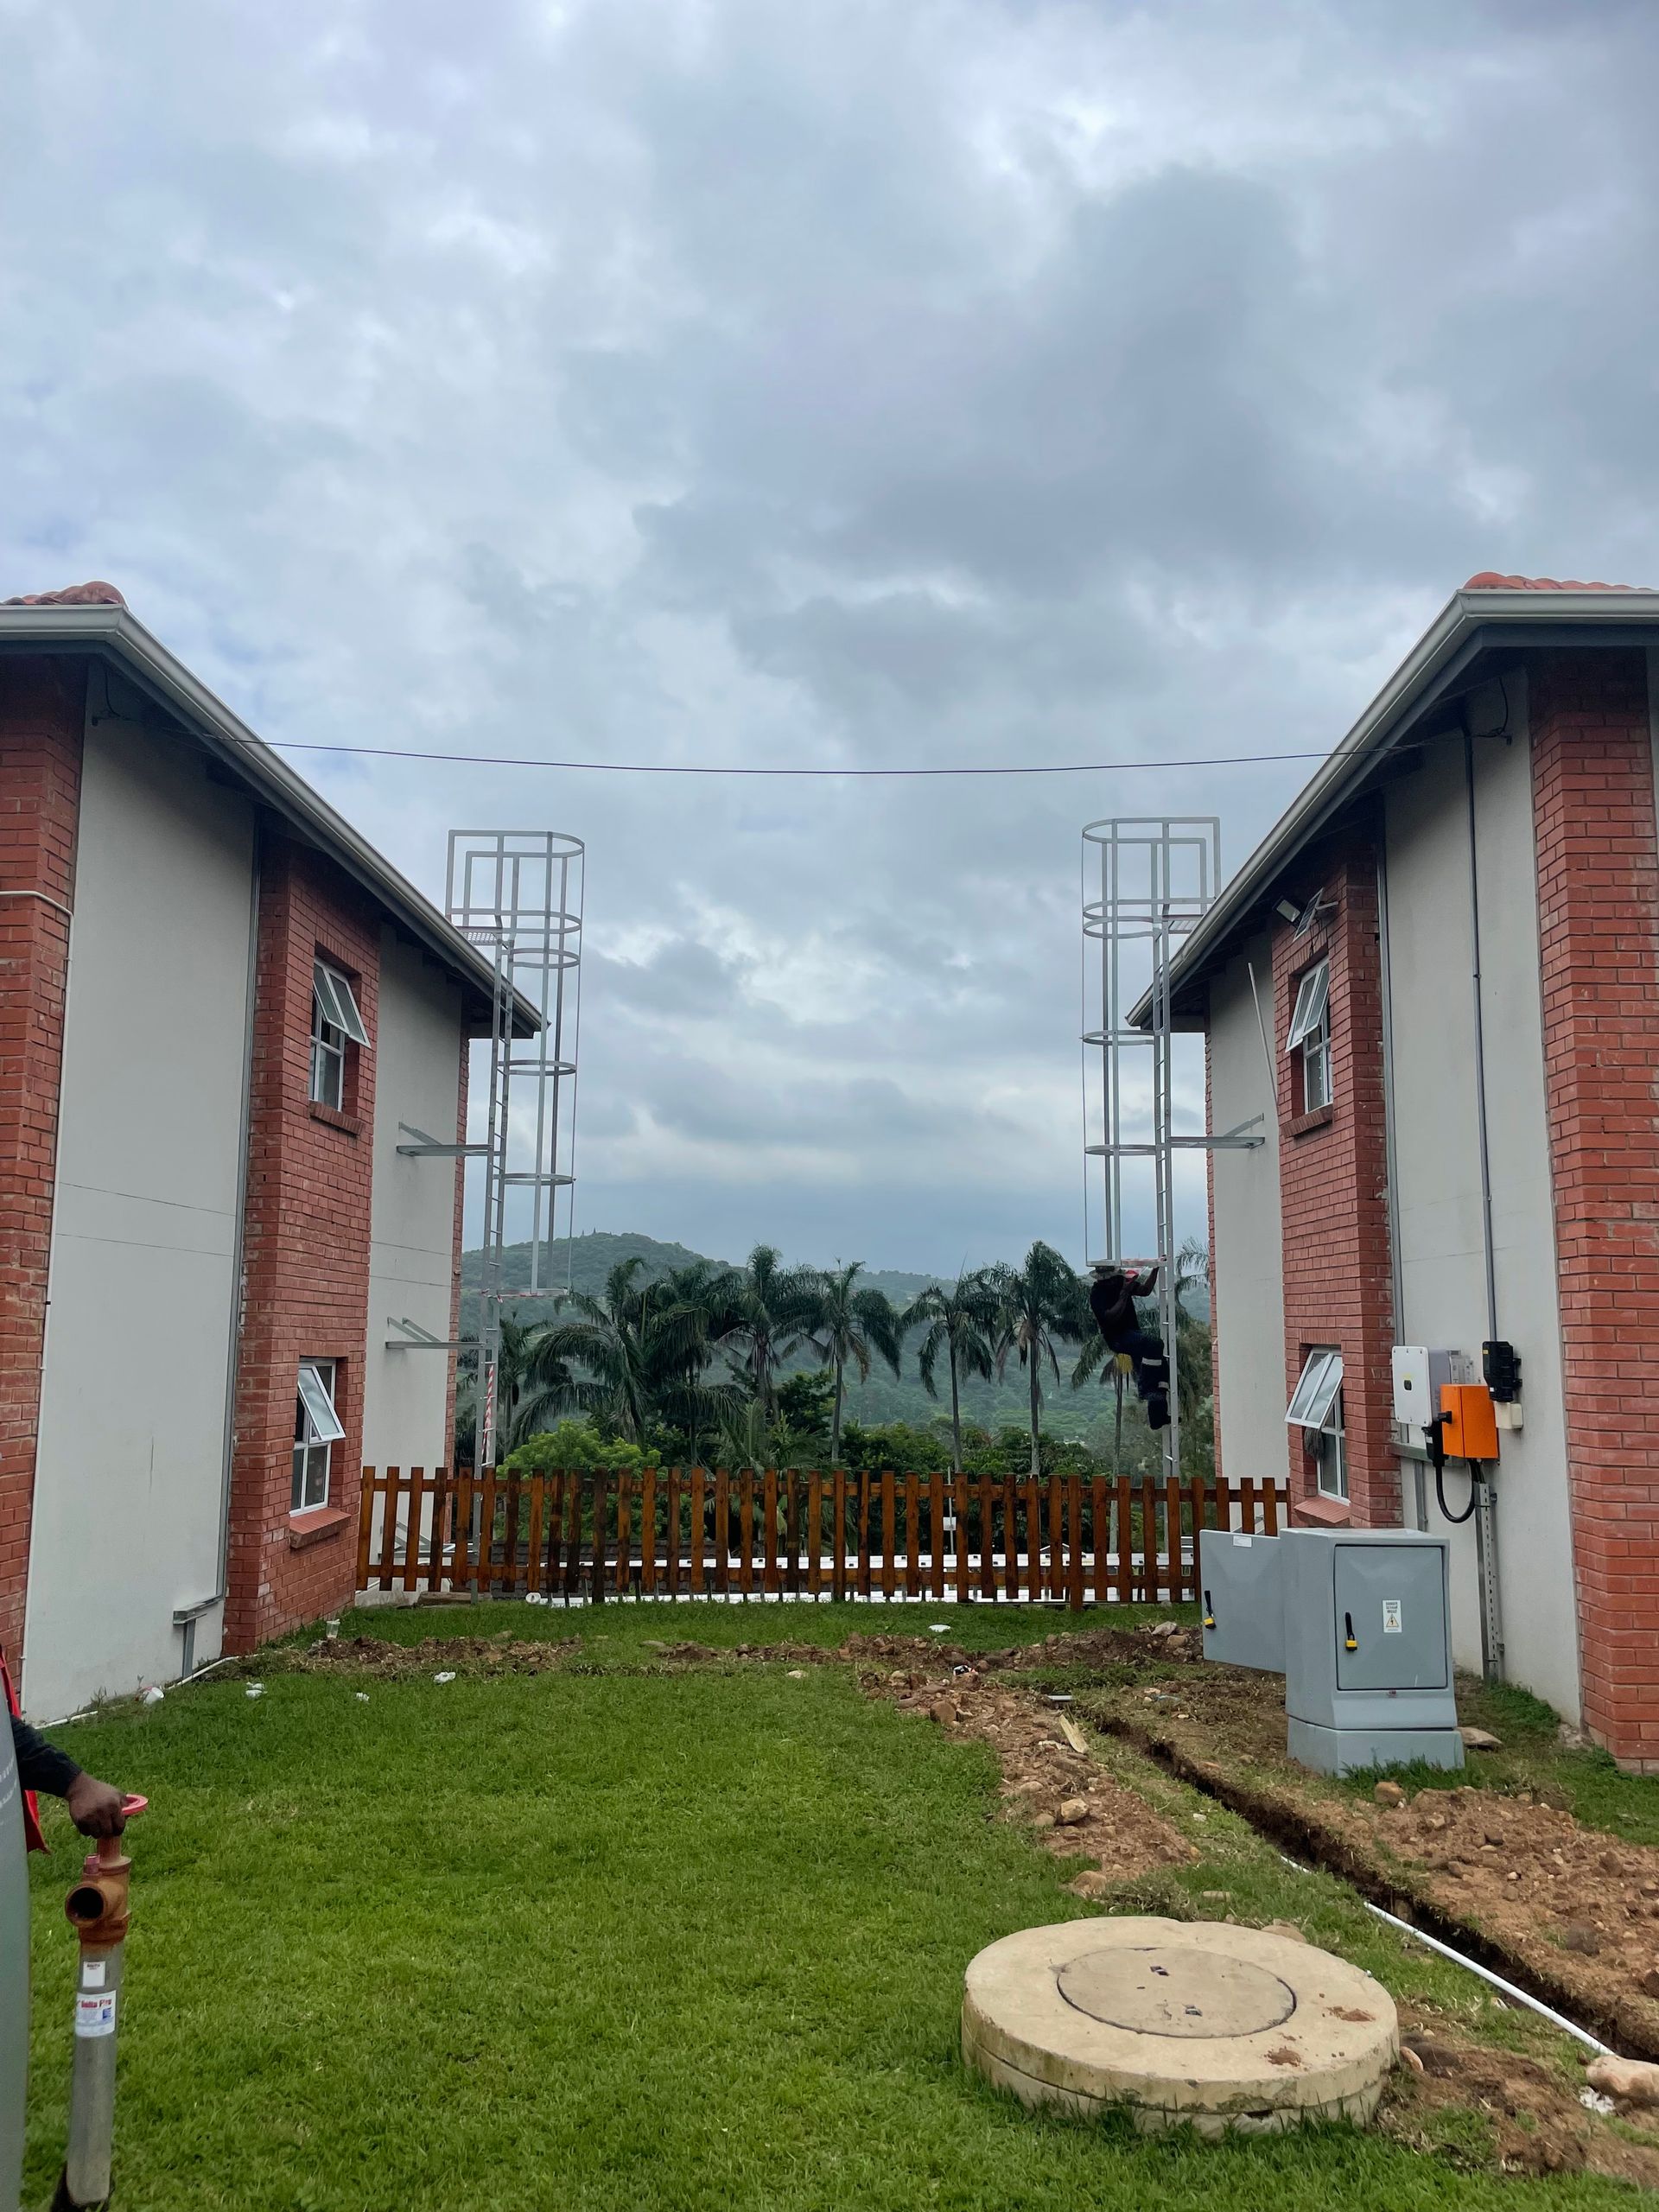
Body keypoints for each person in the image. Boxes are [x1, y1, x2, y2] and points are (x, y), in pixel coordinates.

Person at [1089, 1260, 1170, 1430]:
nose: (1109, 1281)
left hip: (1133, 1334)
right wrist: (1124, 1294)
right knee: (1154, 1343)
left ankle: (1158, 1417)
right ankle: (1146, 1388)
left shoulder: (1119, 1282)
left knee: (1161, 1369)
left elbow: (1145, 1291)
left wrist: (1155, 1271)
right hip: (1117, 1338)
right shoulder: (1097, 1293)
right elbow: (1111, 1317)